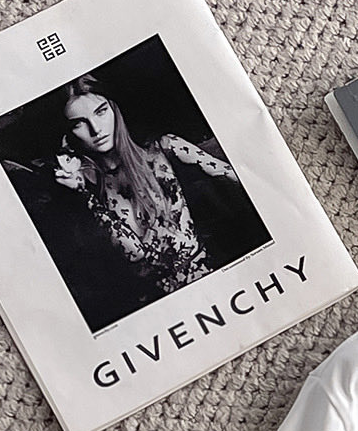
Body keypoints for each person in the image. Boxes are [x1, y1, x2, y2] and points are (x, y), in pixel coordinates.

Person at [51, 74, 243, 303]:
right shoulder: (86, 186)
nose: (96, 129)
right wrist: (84, 194)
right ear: (68, 134)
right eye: (79, 123)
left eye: (101, 112)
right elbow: (136, 253)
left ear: (115, 109)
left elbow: (234, 174)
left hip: (213, 278)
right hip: (157, 302)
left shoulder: (164, 149)